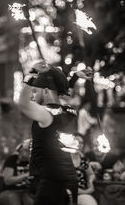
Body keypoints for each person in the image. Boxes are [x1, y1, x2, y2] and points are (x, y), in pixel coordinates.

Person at [17, 61, 91, 205]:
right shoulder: (68, 111)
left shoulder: (46, 114)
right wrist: (75, 77)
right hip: (69, 178)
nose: (32, 95)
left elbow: (23, 104)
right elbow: (58, 89)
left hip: (50, 181)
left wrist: (32, 73)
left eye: (35, 91)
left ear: (45, 91)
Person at [0, 139, 34, 205]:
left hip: (27, 191)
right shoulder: (12, 159)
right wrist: (26, 175)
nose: (29, 153)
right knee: (13, 200)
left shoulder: (34, 162)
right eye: (26, 150)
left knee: (30, 201)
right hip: (10, 191)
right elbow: (7, 180)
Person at [71, 134, 98, 205]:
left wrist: (90, 181)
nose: (79, 144)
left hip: (81, 194)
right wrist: (87, 191)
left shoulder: (83, 159)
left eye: (81, 142)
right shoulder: (63, 160)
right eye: (76, 141)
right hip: (67, 194)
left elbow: (91, 174)